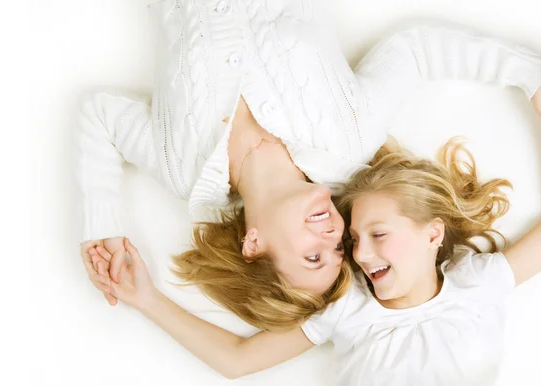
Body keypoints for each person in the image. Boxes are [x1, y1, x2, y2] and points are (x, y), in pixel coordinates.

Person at [77, 0, 541, 330]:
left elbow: (99, 116)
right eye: (341, 245)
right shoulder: (348, 140)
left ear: (253, 244)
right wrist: (530, 78)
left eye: (313, 255)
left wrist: (103, 225)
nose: (332, 233)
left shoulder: (179, 170)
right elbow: (416, 51)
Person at [89, 137, 541, 385]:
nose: (361, 255)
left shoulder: (478, 282)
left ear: (433, 234)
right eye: (355, 239)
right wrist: (147, 299)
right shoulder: (347, 306)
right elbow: (238, 361)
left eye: (379, 235)